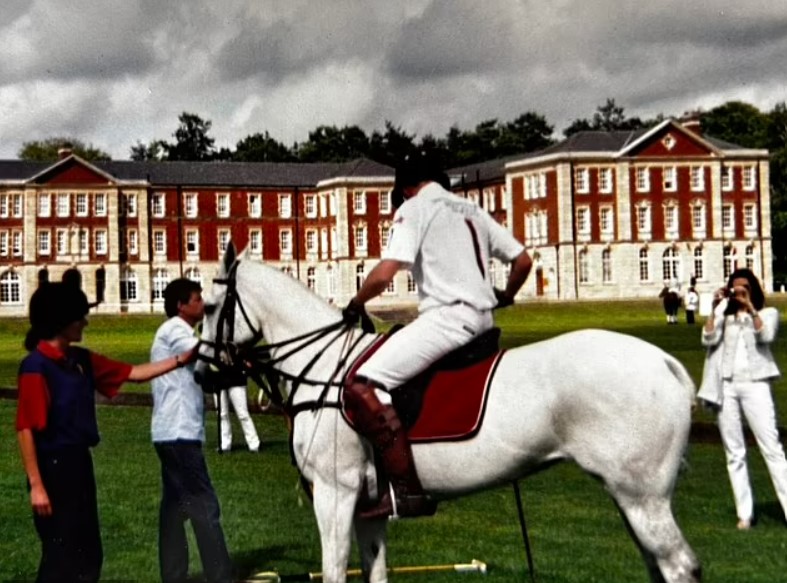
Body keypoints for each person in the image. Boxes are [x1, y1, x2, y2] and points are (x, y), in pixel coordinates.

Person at [342, 153, 533, 519]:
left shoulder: (413, 209)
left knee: (364, 383)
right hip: (484, 323)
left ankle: (405, 493)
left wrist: (355, 302)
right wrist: (505, 296)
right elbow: (522, 261)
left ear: (406, 188)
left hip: (447, 320)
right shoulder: (472, 209)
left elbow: (385, 274)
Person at [15, 282, 196, 583]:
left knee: (89, 555)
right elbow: (26, 429)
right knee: (61, 558)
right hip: (52, 470)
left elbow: (135, 374)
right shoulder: (36, 367)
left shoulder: (80, 360)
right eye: (79, 316)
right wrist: (36, 485)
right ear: (61, 321)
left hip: (79, 465)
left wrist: (182, 359)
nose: (85, 322)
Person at [150, 278, 233, 583]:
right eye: (197, 299)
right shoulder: (175, 330)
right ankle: (220, 575)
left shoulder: (181, 332)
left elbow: (203, 375)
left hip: (171, 432)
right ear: (180, 306)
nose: (202, 303)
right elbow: (204, 354)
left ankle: (173, 575)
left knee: (174, 509)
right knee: (203, 504)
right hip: (179, 432)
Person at [701, 268, 787, 530]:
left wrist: (750, 308)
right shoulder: (724, 318)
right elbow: (707, 338)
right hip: (726, 386)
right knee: (734, 452)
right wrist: (715, 308)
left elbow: (766, 335)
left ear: (753, 290)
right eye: (735, 289)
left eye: (744, 289)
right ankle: (745, 514)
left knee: (771, 448)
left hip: (756, 385)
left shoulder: (767, 314)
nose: (739, 293)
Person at [216, 370, 261, 453]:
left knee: (242, 414)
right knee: (222, 414)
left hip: (236, 377)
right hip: (218, 378)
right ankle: (225, 444)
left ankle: (254, 444)